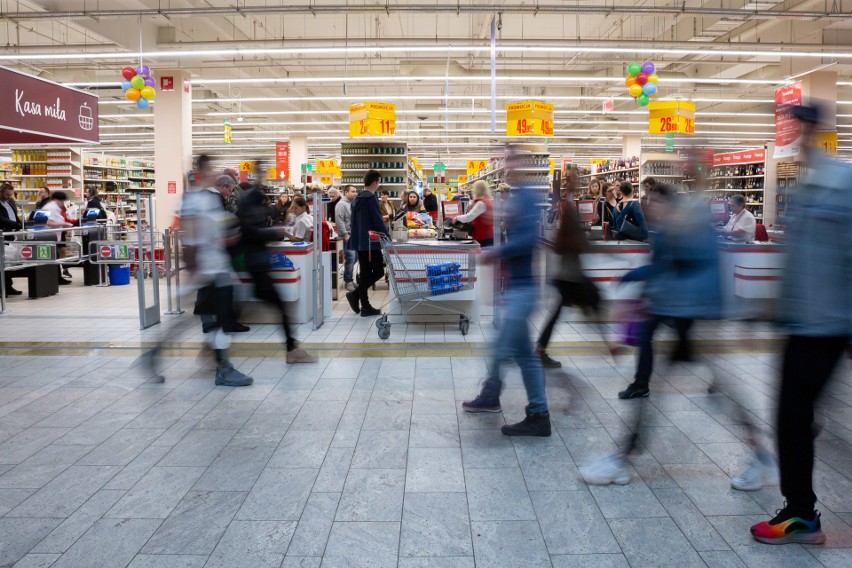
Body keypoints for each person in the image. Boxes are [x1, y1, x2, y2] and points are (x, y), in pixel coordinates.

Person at [748, 104, 852, 546]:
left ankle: (800, 514)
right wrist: (773, 310)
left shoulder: (842, 184)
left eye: (801, 126)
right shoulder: (808, 187)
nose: (795, 135)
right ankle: (799, 509)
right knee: (796, 416)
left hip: (827, 325)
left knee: (792, 416)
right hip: (803, 323)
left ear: (814, 129)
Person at [581, 185, 722, 485]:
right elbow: (662, 269)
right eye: (647, 201)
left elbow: (664, 269)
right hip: (673, 307)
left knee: (669, 378)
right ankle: (626, 448)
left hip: (682, 309)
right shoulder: (665, 231)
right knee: (662, 364)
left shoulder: (679, 232)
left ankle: (623, 456)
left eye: (654, 202)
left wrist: (630, 279)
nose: (648, 207)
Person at [461, 148, 551, 437]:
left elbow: (527, 240)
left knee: (500, 348)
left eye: (509, 162)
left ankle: (493, 396)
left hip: (523, 289)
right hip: (517, 287)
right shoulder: (517, 196)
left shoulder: (525, 198)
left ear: (521, 165)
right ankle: (538, 413)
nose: (505, 167)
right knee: (524, 355)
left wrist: (496, 251)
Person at [147, 154, 254, 387]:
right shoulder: (195, 200)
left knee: (216, 317)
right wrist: (195, 268)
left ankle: (156, 356)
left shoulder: (207, 198)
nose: (214, 174)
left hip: (215, 267)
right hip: (207, 269)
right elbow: (191, 236)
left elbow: (214, 229)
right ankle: (222, 368)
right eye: (211, 169)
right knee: (223, 314)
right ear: (202, 171)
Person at [536, 174, 608, 368]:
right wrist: (591, 247)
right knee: (594, 300)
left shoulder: (567, 205)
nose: (580, 184)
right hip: (570, 274)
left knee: (561, 311)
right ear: (571, 185)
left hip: (566, 273)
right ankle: (610, 345)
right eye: (577, 181)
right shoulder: (569, 207)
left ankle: (540, 349)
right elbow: (576, 237)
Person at [238, 186, 316, 364]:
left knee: (242, 309)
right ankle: (292, 349)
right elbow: (255, 235)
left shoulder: (246, 215)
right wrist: (275, 231)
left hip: (256, 267)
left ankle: (292, 347)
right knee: (279, 307)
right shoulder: (250, 219)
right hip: (257, 268)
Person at [346, 170, 390, 317]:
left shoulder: (356, 199)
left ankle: (364, 305)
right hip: (370, 242)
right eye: (378, 183)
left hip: (359, 241)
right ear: (375, 182)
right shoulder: (371, 198)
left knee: (365, 273)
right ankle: (356, 295)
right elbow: (378, 221)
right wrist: (387, 238)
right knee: (379, 271)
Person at [454, 180, 494, 247]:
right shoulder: (487, 201)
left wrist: (456, 218)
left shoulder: (481, 203)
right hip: (488, 235)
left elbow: (469, 217)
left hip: (483, 236)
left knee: (481, 255)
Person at [0, 183, 23, 295]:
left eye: (10, 195)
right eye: (6, 194)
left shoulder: (9, 203)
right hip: (2, 234)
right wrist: (15, 225)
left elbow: (13, 215)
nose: (8, 197)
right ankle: (3, 289)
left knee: (8, 262)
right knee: (2, 262)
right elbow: (1, 219)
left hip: (10, 235)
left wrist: (21, 224)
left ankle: (8, 286)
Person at [335, 185, 357, 292]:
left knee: (355, 258)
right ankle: (348, 281)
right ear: (346, 192)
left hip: (354, 235)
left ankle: (349, 278)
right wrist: (345, 235)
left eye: (355, 191)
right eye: (352, 191)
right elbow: (339, 221)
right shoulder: (341, 204)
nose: (355, 193)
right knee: (351, 258)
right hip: (347, 236)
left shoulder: (352, 203)